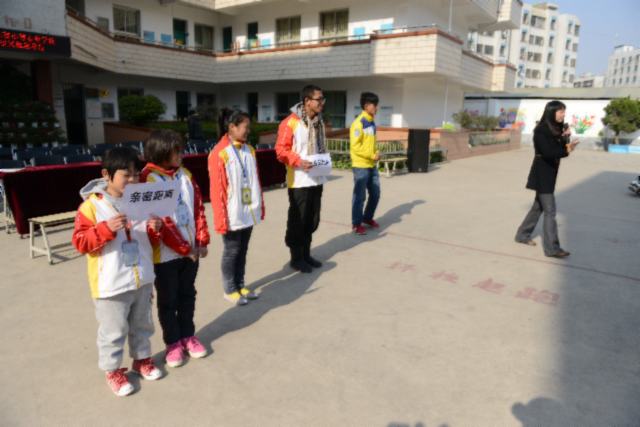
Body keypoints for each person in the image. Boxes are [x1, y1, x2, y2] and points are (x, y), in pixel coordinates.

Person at [72, 147, 163, 397]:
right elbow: (80, 242)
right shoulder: (91, 207)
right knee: (113, 331)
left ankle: (142, 359)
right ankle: (112, 370)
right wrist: (105, 229)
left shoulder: (141, 200)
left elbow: (150, 240)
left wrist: (156, 228)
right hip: (111, 284)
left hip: (142, 278)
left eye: (136, 174)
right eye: (126, 175)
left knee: (142, 324)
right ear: (106, 175)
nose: (133, 180)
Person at [141, 129, 210, 368]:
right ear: (162, 152)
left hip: (190, 251)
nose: (182, 154)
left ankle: (188, 336)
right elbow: (163, 221)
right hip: (165, 256)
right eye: (176, 151)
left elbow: (198, 208)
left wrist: (201, 240)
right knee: (168, 301)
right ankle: (173, 342)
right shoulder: (148, 178)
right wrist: (183, 249)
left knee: (187, 295)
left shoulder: (185, 174)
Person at [209, 110, 264, 306]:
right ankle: (229, 289)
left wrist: (260, 205)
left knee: (243, 250)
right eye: (245, 127)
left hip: (248, 209)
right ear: (232, 127)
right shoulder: (219, 153)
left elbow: (255, 180)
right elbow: (217, 190)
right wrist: (221, 219)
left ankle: (240, 284)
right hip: (232, 213)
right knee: (232, 250)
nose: (248, 131)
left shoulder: (249, 150)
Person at [515, 100, 579, 258]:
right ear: (551, 112)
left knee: (538, 207)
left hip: (550, 172)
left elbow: (559, 148)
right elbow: (548, 152)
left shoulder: (555, 129)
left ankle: (522, 235)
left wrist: (566, 138)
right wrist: (567, 150)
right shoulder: (541, 130)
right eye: (561, 111)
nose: (563, 114)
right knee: (550, 211)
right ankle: (552, 248)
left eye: (564, 111)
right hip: (542, 173)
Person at [275, 84, 327, 273]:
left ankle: (306, 254)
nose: (322, 103)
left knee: (313, 219)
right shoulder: (290, 122)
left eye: (323, 99)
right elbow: (281, 151)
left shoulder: (319, 122)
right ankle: (296, 258)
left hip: (316, 178)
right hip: (299, 181)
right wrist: (298, 161)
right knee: (299, 220)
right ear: (307, 101)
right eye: (318, 99)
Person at [350, 92, 381, 235]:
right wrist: (372, 155)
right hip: (360, 166)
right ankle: (356, 224)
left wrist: (376, 152)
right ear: (367, 105)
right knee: (360, 196)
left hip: (371, 165)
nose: (377, 108)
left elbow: (371, 143)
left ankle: (367, 218)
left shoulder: (372, 122)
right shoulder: (359, 123)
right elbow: (355, 147)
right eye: (375, 105)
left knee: (375, 194)